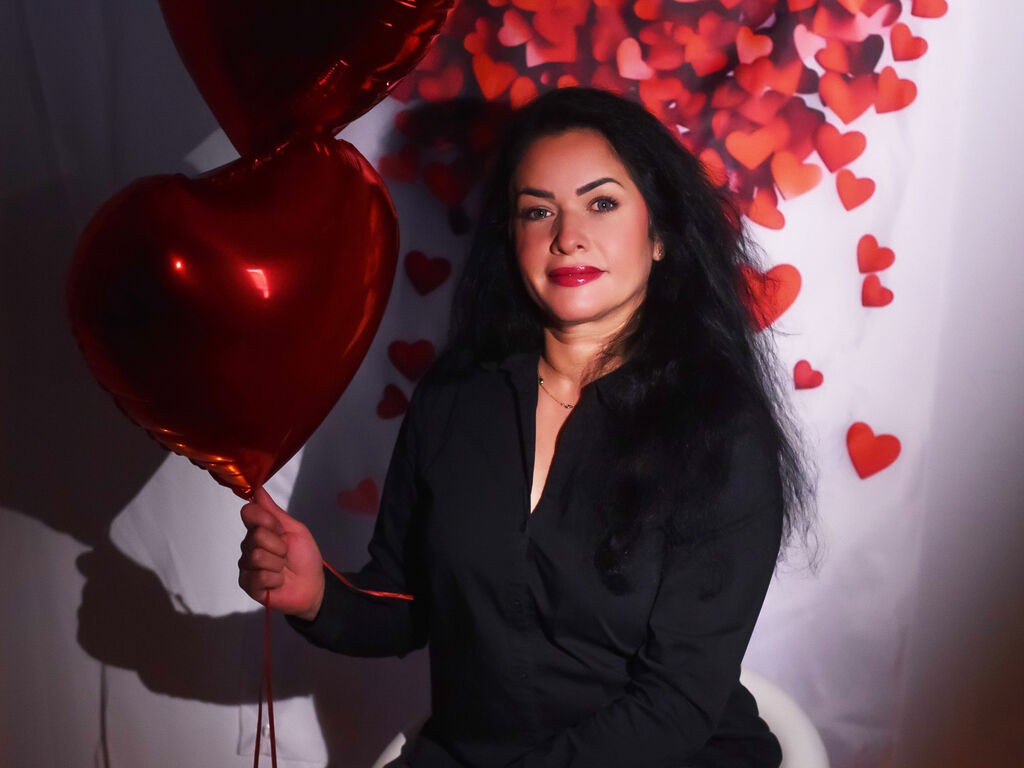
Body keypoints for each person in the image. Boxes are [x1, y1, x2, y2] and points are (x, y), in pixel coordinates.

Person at [238, 86, 814, 768]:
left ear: (660, 234)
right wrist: (318, 596)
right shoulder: (454, 399)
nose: (567, 236)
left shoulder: (719, 432)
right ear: (511, 240)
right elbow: (412, 602)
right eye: (538, 211)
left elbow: (676, 703)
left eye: (602, 203)